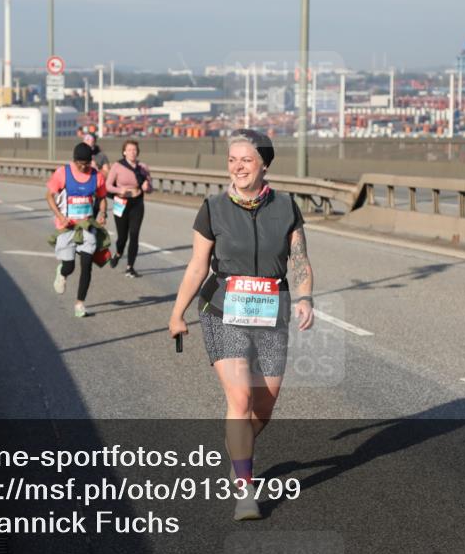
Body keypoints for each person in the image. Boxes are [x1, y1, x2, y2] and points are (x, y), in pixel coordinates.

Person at [168, 129, 315, 521]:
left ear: (264, 164)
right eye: (232, 159)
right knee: (241, 400)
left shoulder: (286, 207)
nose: (238, 167)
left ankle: (239, 450)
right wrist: (177, 312)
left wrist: (303, 298)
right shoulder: (213, 207)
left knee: (263, 409)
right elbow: (198, 265)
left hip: (271, 314)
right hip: (222, 310)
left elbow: (298, 260)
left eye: (246, 160)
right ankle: (245, 489)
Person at [46, 143, 109, 318]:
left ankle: (80, 304)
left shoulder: (97, 177)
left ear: (91, 162)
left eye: (86, 164)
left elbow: (102, 198)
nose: (83, 167)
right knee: (69, 266)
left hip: (87, 226)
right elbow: (49, 196)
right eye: (79, 163)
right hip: (67, 227)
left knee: (87, 266)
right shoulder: (63, 173)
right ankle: (62, 272)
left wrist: (103, 213)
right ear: (74, 161)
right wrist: (59, 216)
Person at [105, 140, 152, 277]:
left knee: (134, 234)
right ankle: (118, 253)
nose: (132, 152)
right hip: (121, 202)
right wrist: (120, 189)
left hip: (137, 203)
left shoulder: (142, 167)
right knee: (122, 237)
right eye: (129, 149)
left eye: (134, 149)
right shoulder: (117, 166)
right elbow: (108, 186)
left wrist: (146, 187)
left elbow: (150, 187)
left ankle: (130, 267)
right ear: (124, 152)